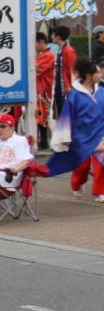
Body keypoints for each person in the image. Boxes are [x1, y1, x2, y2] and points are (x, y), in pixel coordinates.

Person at [48, 56, 104, 202]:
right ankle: (76, 184)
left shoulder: (102, 92)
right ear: (88, 76)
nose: (100, 75)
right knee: (82, 166)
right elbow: (66, 117)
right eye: (97, 73)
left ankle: (100, 192)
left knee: (101, 163)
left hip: (100, 134)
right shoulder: (74, 95)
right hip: (80, 135)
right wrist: (65, 137)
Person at [52, 25, 76, 120]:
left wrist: (70, 88)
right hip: (61, 87)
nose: (52, 37)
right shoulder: (61, 50)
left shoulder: (68, 51)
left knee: (67, 117)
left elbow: (73, 71)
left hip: (67, 89)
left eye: (53, 35)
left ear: (58, 37)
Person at [36, 33, 55, 148]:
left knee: (42, 116)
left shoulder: (48, 55)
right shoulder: (43, 55)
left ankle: (43, 141)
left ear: (41, 42)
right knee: (40, 115)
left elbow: (35, 69)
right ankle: (42, 141)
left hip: (44, 90)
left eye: (35, 43)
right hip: (40, 90)